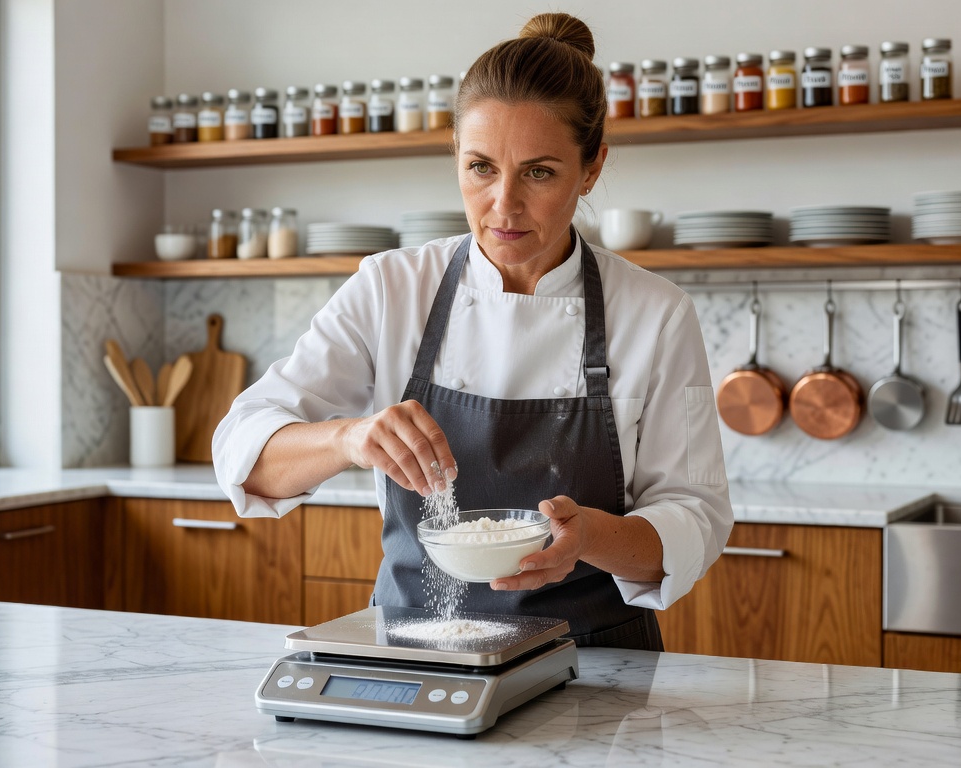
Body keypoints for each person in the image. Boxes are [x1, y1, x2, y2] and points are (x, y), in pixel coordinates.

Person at [214, 12, 732, 651]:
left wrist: (590, 537)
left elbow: (695, 519)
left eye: (539, 172)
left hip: (596, 665)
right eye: (481, 167)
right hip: (417, 653)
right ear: (455, 153)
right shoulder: (391, 288)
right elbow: (244, 453)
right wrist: (350, 437)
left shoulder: (655, 313)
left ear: (591, 168)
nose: (504, 205)